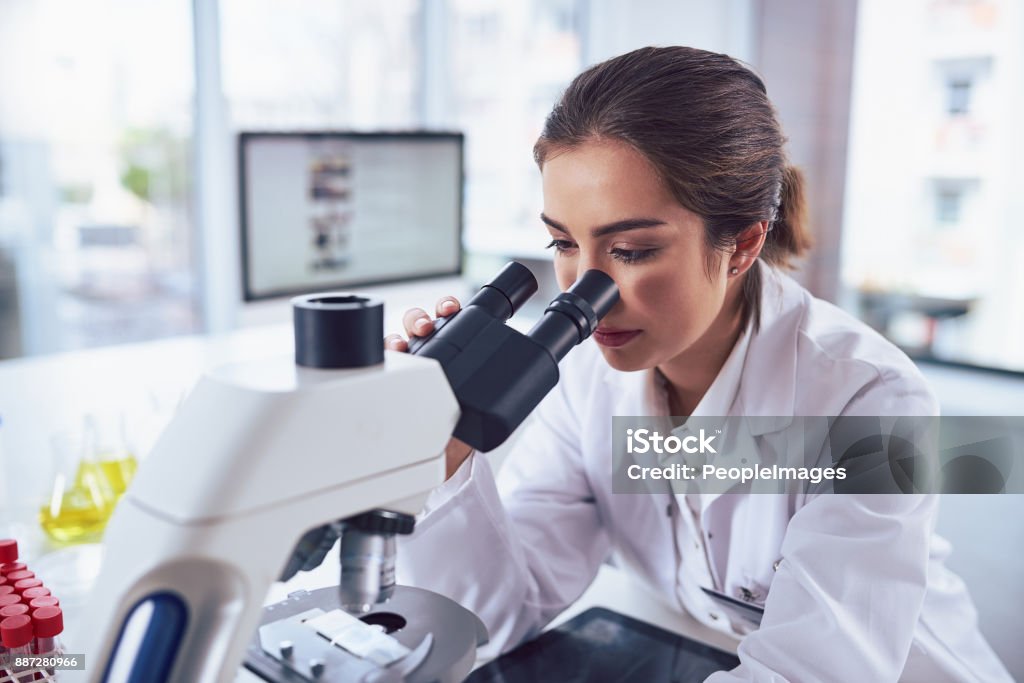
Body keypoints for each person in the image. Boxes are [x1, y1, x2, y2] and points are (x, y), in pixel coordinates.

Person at [386, 47, 1011, 682]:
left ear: (742, 243)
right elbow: (491, 617)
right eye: (564, 243)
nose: (583, 291)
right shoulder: (583, 380)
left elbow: (812, 672)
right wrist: (447, 453)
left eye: (630, 249)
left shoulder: (871, 398)